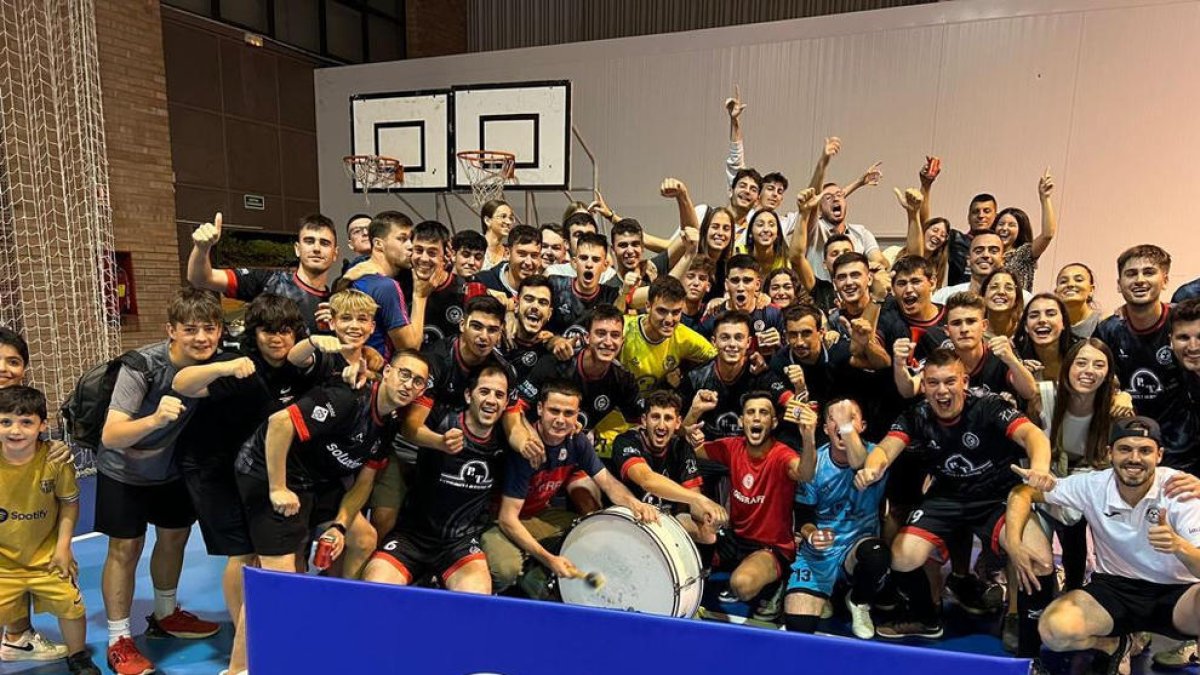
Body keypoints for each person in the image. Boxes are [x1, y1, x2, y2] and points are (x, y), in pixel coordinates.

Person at [855, 349, 1056, 656]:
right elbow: (885, 448)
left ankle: (1016, 617)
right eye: (933, 382)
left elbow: (1033, 436)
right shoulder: (916, 415)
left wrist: (1040, 468)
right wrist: (873, 466)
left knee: (1037, 557)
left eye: (950, 381)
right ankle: (926, 617)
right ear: (923, 384)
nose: (942, 390)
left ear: (964, 381)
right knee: (902, 557)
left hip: (996, 496)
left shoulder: (988, 406)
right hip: (947, 496)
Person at [169, 294, 318, 675]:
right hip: (214, 468)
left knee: (271, 550)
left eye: (285, 330)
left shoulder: (298, 365)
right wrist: (224, 367)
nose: (276, 339)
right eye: (267, 330)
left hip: (258, 469)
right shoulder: (242, 364)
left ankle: (269, 630)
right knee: (242, 552)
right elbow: (183, 382)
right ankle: (245, 635)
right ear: (255, 332)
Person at [1008, 418, 1200, 675]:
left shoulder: (1180, 491)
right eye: (1124, 449)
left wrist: (1179, 546)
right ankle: (1114, 644)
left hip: (1177, 594)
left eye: (1144, 450)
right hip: (1115, 588)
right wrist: (1013, 544)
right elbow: (1023, 492)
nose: (1134, 458)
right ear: (1110, 453)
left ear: (1159, 455)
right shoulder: (1093, 484)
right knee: (1054, 629)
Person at [97, 288, 223, 675]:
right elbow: (111, 435)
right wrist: (154, 419)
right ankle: (119, 639)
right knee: (126, 548)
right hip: (124, 469)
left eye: (209, 328)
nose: (201, 337)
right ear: (171, 330)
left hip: (170, 470)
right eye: (190, 329)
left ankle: (166, 615)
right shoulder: (142, 366)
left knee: (174, 537)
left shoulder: (217, 362)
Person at [484, 380, 659, 592]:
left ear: (578, 416)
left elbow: (608, 483)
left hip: (540, 514)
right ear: (540, 409)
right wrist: (550, 559)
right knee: (506, 569)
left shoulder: (578, 441)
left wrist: (634, 503)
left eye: (568, 413)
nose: (560, 420)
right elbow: (507, 519)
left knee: (594, 531)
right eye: (554, 411)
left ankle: (535, 570)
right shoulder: (528, 447)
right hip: (499, 521)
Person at [363, 365, 512, 594]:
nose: (491, 400)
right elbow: (400, 412)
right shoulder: (439, 419)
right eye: (484, 392)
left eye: (499, 395)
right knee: (376, 588)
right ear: (467, 395)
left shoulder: (506, 439)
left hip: (459, 544)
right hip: (412, 537)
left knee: (476, 601)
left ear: (505, 403)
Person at [0, 387, 100, 674]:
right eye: (5, 421)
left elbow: (69, 504)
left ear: (43, 425)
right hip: (4, 562)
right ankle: (15, 645)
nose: (15, 430)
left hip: (48, 557)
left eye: (26, 422)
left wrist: (63, 547)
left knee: (71, 605)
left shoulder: (55, 461)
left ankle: (78, 656)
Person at [690, 391, 804, 619]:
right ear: (742, 421)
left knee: (741, 585)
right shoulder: (732, 446)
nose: (756, 418)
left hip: (770, 546)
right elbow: (691, 447)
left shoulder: (783, 455)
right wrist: (694, 412)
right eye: (751, 412)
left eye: (764, 413)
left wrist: (808, 437)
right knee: (691, 554)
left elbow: (806, 472)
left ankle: (778, 583)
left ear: (773, 422)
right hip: (734, 538)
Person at [784, 399, 890, 640]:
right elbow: (803, 519)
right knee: (797, 628)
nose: (842, 423)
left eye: (850, 417)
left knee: (877, 553)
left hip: (856, 549)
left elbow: (860, 462)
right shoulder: (814, 463)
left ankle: (858, 601)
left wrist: (845, 426)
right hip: (821, 552)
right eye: (834, 418)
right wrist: (813, 535)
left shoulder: (877, 455)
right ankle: (826, 593)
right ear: (825, 428)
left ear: (861, 425)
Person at [1096, 245, 1200, 474]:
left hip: (1184, 454)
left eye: (1149, 272)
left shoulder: (1184, 321)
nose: (1140, 280)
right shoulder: (1109, 330)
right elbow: (1098, 372)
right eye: (1131, 274)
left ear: (1165, 280)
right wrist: (1116, 393)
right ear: (1118, 283)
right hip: (1132, 452)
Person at [515, 305, 642, 456]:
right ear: (587, 337)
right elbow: (516, 409)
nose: (608, 342)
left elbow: (640, 423)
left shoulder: (623, 380)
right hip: (532, 446)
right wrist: (530, 437)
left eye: (615, 335)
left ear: (622, 340)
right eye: (601, 334)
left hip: (573, 454)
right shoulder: (555, 365)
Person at [604, 390, 726, 543]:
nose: (661, 425)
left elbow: (693, 500)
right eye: (655, 417)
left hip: (665, 520)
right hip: (629, 517)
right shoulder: (626, 441)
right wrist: (701, 499)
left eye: (668, 418)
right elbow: (647, 480)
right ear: (644, 420)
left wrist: (710, 515)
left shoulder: (681, 447)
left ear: (678, 423)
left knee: (708, 535)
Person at [188, 212, 337, 333]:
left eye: (324, 243)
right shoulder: (267, 281)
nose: (316, 248)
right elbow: (201, 279)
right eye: (309, 241)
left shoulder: (337, 304)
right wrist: (202, 249)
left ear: (335, 253)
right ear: (297, 249)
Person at [896, 291, 1038, 403]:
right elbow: (908, 390)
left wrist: (1012, 360)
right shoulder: (941, 358)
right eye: (957, 323)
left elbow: (1029, 392)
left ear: (984, 326)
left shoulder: (1000, 356)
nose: (964, 329)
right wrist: (899, 364)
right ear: (947, 330)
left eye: (971, 321)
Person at [345, 213, 428, 360]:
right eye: (402, 239)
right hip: (375, 375)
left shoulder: (354, 274)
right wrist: (421, 296)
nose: (410, 246)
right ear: (378, 244)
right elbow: (410, 348)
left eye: (410, 239)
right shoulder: (386, 286)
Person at [620, 276, 717, 394]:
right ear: (648, 306)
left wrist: (685, 377)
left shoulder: (684, 337)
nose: (669, 320)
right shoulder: (623, 329)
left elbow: (718, 359)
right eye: (662, 311)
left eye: (676, 312)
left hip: (653, 408)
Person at [697, 255, 785, 354]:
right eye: (735, 281)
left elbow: (789, 355)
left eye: (747, 280)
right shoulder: (711, 317)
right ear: (726, 285)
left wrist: (779, 346)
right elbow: (700, 359)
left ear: (757, 285)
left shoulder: (773, 314)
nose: (740, 287)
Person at [990, 169, 1058, 291]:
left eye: (1011, 225)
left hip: (1018, 308)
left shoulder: (1024, 253)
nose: (1004, 228)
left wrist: (1045, 198)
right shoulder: (987, 255)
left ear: (1020, 230)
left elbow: (1048, 234)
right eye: (1001, 224)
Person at [547, 232, 619, 338]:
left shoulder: (611, 295)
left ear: (605, 266)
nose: (589, 265)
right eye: (584, 258)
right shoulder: (554, 285)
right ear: (574, 263)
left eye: (596, 260)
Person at [408, 221, 465, 349]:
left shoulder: (462, 290)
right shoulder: (400, 285)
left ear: (446, 255)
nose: (423, 258)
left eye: (432, 253)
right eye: (418, 250)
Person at [1013, 293, 1075, 382]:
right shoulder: (1016, 357)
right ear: (1026, 326)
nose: (1042, 320)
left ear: (1064, 322)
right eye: (1034, 316)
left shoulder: (1079, 354)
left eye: (1051, 314)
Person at [473, 225, 542, 301]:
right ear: (508, 253)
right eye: (522, 254)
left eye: (534, 256)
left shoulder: (543, 290)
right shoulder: (483, 282)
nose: (528, 262)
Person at [932, 230, 1004, 304]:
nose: (985, 255)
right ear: (968, 260)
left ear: (1003, 260)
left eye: (993, 251)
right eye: (978, 251)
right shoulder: (944, 296)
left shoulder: (1009, 299)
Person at [1055, 262, 1103, 340]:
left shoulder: (1103, 323)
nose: (1070, 284)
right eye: (1063, 281)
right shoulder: (1052, 325)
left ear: (1091, 290)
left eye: (1078, 280)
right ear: (1056, 292)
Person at [981, 269, 1024, 339]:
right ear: (983, 296)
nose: (1001, 292)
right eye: (994, 287)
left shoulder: (1025, 332)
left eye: (1008, 288)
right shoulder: (974, 331)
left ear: (1017, 298)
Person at [479, 199, 515, 270]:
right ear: (487, 221)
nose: (508, 222)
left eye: (511, 218)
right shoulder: (474, 245)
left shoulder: (508, 253)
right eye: (503, 216)